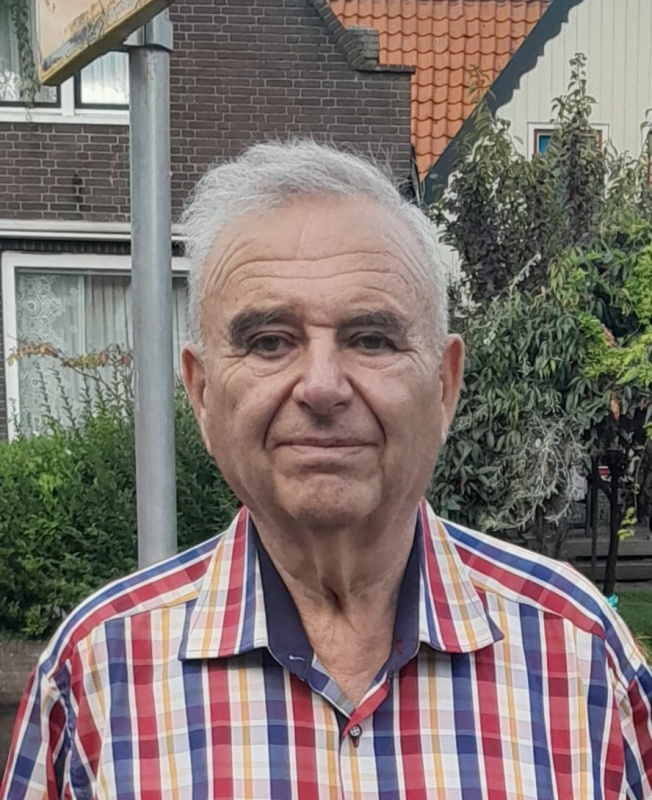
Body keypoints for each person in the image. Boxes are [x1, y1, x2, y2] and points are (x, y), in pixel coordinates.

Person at [2, 141, 651, 800]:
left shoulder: (583, 660)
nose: (320, 387)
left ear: (444, 388)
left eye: (370, 339)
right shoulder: (94, 681)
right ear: (202, 395)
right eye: (269, 342)